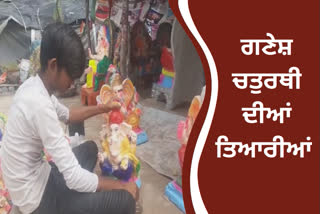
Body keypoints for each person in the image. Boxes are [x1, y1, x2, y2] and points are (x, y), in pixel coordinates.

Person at [0, 23, 137, 214]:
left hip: (41, 177)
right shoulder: (38, 104)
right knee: (125, 201)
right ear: (53, 65)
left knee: (90, 149)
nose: (72, 83)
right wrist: (121, 186)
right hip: (38, 201)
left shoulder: (34, 86)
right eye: (71, 76)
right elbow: (73, 177)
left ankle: (78, 200)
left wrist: (103, 107)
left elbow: (69, 115)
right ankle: (74, 203)